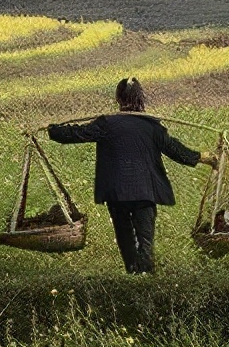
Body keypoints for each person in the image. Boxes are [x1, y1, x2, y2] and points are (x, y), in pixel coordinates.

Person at [48, 78, 215, 274]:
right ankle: (146, 271)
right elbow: (175, 150)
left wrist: (52, 130)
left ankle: (133, 271)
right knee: (145, 237)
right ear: (140, 98)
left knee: (124, 234)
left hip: (117, 192)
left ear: (118, 98)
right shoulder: (152, 126)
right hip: (144, 191)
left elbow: (77, 133)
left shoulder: (106, 123)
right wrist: (202, 157)